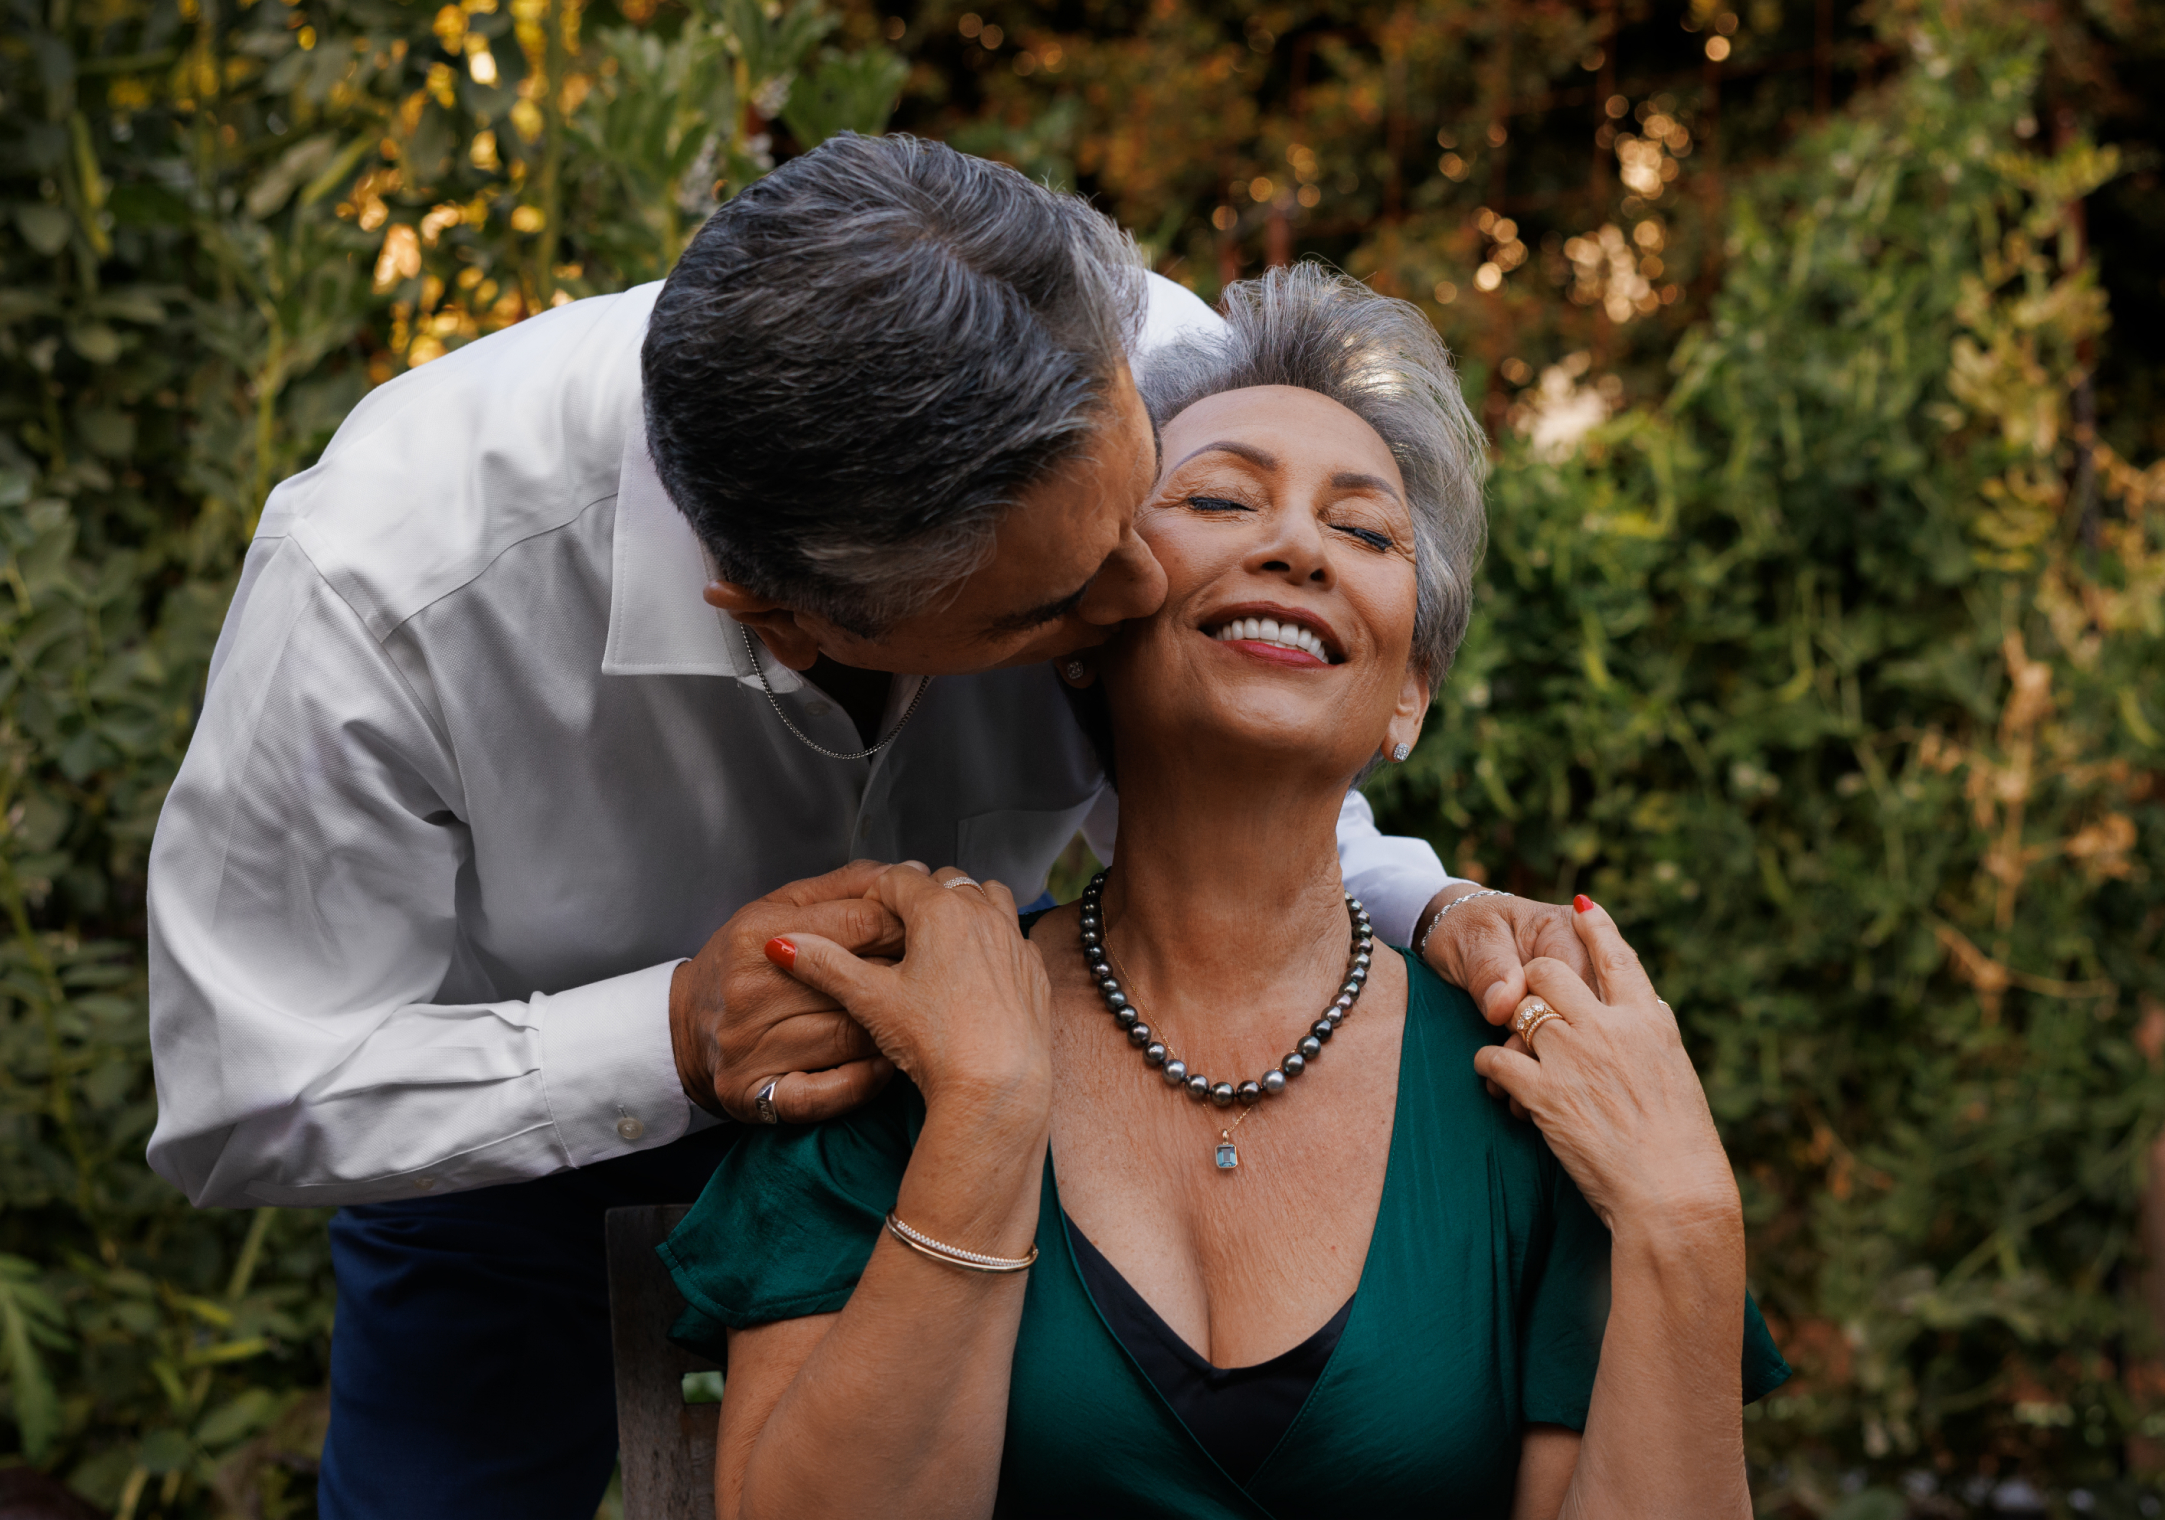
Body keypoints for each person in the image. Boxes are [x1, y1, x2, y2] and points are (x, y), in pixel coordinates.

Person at [144, 135, 1591, 1516]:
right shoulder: (383, 588)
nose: (1138, 603)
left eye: (1146, 509)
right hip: (511, 1149)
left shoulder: (1146, 360)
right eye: (1053, 609)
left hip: (989, 1107)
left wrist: (1422, 904)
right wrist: (668, 1040)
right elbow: (247, 1091)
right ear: (783, 617)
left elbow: (1227, 724)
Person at [661, 264, 1789, 1518]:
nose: (1298, 545)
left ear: (1410, 692)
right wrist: (984, 1113)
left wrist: (1685, 1216)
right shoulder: (896, 1046)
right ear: (1089, 620)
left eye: (1364, 530)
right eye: (1218, 497)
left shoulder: (1543, 1092)